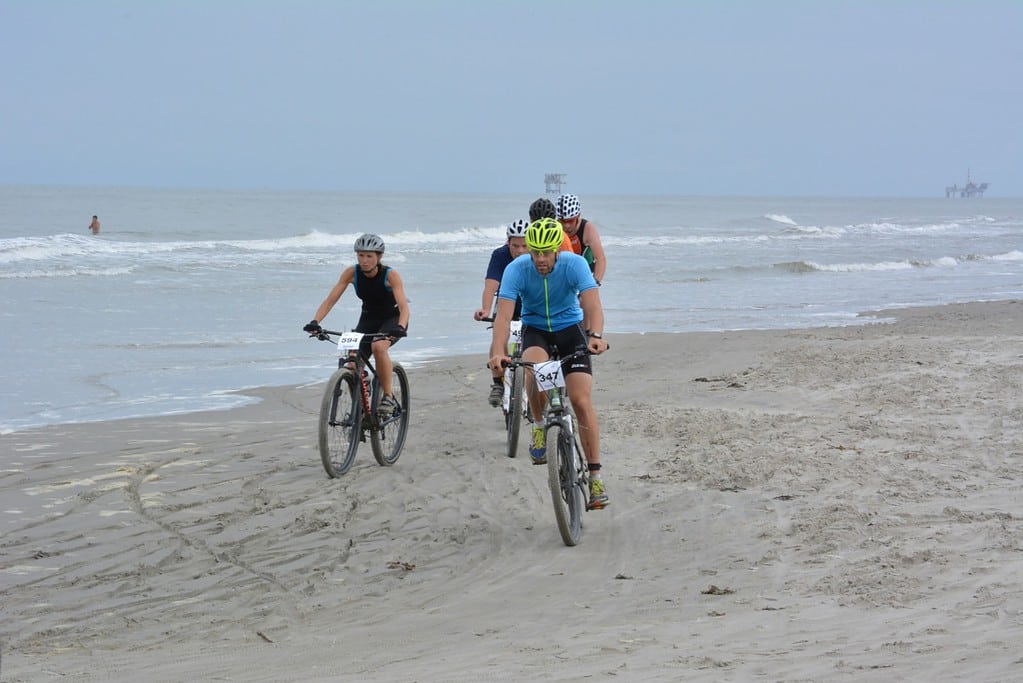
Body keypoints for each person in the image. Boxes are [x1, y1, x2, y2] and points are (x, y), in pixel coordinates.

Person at [489, 218, 611, 510]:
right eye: (535, 252)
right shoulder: (516, 269)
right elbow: (503, 318)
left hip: (571, 329)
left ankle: (595, 476)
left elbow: (592, 304)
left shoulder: (574, 265)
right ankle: (540, 425)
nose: (540, 259)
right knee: (533, 370)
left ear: (558, 249)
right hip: (536, 331)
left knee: (581, 400)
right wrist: (497, 352)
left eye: (546, 252)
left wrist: (595, 336)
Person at [303, 234, 410, 417]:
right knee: (352, 361)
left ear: (379, 257)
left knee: (378, 346)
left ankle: (388, 396)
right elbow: (330, 300)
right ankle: (360, 411)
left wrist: (400, 327)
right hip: (368, 319)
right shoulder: (352, 273)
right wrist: (315, 322)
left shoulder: (390, 275)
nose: (364, 260)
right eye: (360, 255)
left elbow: (403, 307)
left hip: (392, 320)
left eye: (369, 256)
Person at [474, 219, 530, 406]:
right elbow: (491, 285)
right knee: (499, 335)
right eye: (515, 245)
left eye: (524, 245)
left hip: (531, 301)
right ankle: (497, 382)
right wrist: (486, 309)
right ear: (508, 242)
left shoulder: (538, 256)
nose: (520, 250)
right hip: (507, 301)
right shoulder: (499, 255)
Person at [556, 194, 607, 284]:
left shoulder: (588, 228)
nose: (566, 226)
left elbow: (600, 259)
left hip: (586, 277)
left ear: (578, 216)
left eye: (570, 221)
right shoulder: (554, 228)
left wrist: (595, 283)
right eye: (563, 221)